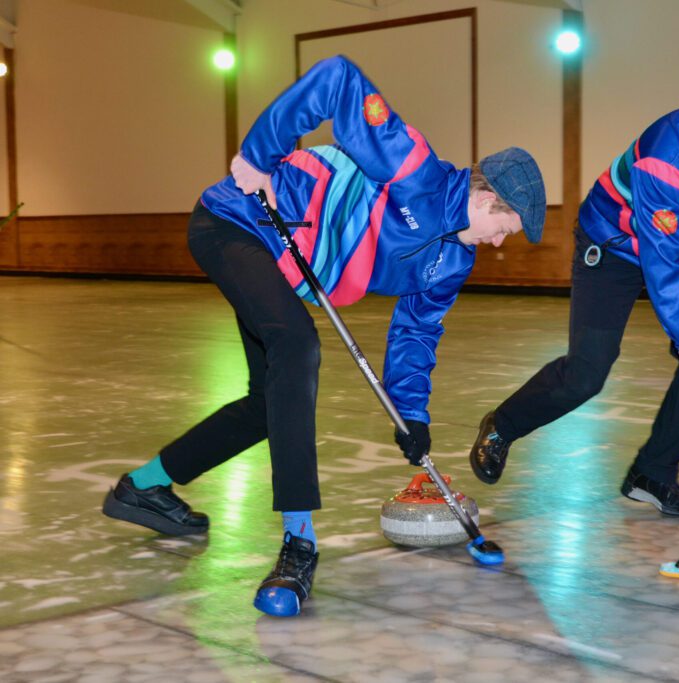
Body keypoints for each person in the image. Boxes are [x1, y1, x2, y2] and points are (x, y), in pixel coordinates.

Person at [101, 55, 546, 616]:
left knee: (268, 404)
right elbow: (338, 78)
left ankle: (144, 487)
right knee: (298, 345)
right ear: (484, 200)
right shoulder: (412, 167)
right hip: (238, 221)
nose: (499, 243)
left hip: (281, 265)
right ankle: (299, 542)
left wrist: (411, 414)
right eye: (503, 228)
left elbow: (416, 331)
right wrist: (258, 157)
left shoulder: (453, 262)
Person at [469, 86, 679, 516]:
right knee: (588, 372)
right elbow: (663, 267)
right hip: (615, 244)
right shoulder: (665, 157)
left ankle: (653, 474)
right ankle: (503, 425)